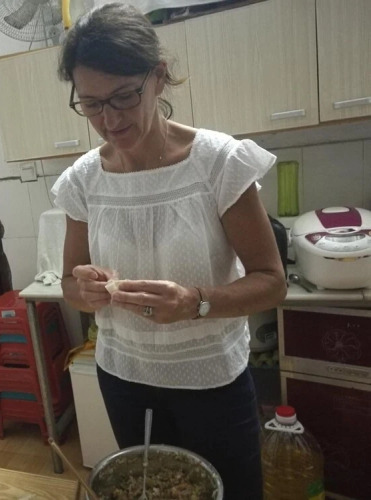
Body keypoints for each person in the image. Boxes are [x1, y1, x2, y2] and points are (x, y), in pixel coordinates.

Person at [53, 4, 286, 499]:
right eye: (91, 104)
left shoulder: (218, 163)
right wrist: (84, 290)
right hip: (124, 379)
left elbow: (272, 281)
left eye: (124, 96)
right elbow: (70, 283)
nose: (109, 119)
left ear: (158, 77)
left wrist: (194, 302)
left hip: (213, 382)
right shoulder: (83, 181)